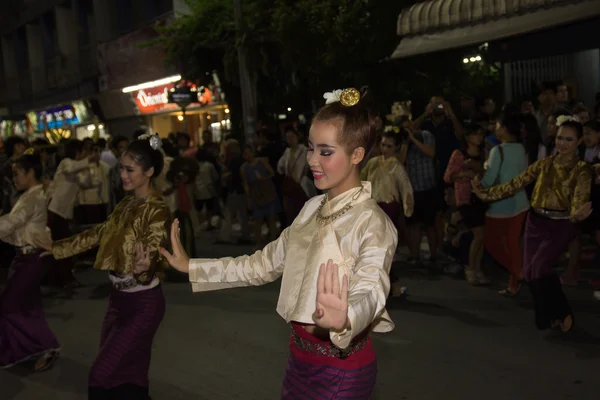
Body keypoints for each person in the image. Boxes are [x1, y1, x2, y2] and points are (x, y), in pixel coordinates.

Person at [160, 88, 397, 399]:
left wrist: (348, 316)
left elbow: (372, 287)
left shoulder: (373, 222)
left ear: (357, 154)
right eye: (311, 148)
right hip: (298, 362)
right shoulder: (311, 208)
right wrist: (191, 266)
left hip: (343, 371)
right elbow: (261, 264)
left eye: (325, 151)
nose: (312, 160)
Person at [42, 135, 170, 399]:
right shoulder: (126, 203)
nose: (122, 175)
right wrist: (56, 249)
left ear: (149, 172)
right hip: (118, 301)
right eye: (121, 168)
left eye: (129, 169)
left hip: (144, 304)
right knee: (130, 375)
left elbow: (154, 245)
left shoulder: (156, 209)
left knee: (101, 375)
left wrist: (146, 265)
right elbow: (97, 233)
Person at [473, 117, 592, 332]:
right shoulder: (545, 163)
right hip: (535, 222)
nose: (562, 143)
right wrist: (484, 193)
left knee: (538, 269)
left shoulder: (582, 169)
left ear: (579, 141)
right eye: (559, 138)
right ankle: (551, 315)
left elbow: (580, 199)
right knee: (530, 273)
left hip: (560, 225)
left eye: (569, 139)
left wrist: (577, 214)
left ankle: (562, 312)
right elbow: (515, 183)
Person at [0, 151, 60, 372]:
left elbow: (12, 222)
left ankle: (46, 346)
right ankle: (32, 348)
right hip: (28, 257)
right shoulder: (31, 195)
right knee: (27, 307)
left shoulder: (32, 197)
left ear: (30, 172)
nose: (14, 179)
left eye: (17, 174)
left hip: (31, 258)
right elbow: (14, 228)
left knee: (9, 306)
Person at [478, 112, 530, 296]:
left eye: (498, 125)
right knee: (513, 244)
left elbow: (488, 180)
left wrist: (478, 178)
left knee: (493, 243)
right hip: (521, 202)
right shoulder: (521, 149)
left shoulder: (496, 151)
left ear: (505, 129)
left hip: (500, 204)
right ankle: (514, 283)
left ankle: (518, 272)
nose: (495, 128)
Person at [444, 124, 489, 285]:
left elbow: (489, 173)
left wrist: (479, 171)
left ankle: (476, 268)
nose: (479, 137)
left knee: (482, 236)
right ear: (468, 136)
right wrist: (464, 174)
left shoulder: (484, 153)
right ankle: (471, 268)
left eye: (481, 134)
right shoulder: (459, 154)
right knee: (479, 234)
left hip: (481, 196)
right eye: (476, 134)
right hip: (464, 198)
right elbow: (448, 176)